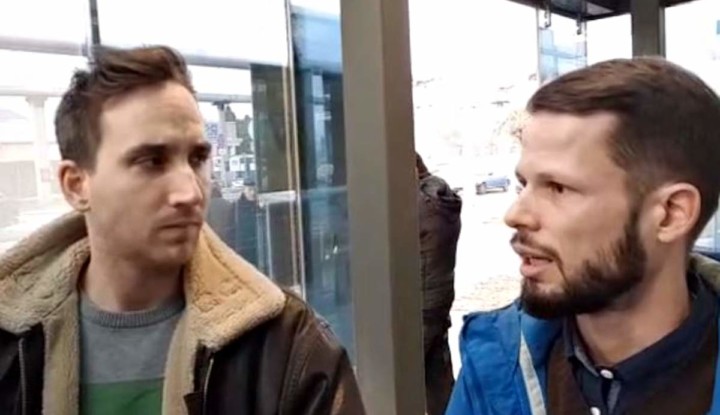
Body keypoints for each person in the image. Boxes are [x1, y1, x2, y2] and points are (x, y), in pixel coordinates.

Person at [0, 45, 365, 415]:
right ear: (76, 185)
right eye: (152, 161)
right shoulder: (11, 342)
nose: (190, 192)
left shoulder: (288, 349)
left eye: (197, 158)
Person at [446, 58, 720, 415]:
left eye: (558, 188)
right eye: (524, 184)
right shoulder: (497, 363)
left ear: (670, 213)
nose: (516, 215)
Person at [416, 153, 462, 415]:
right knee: (439, 384)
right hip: (438, 302)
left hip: (420, 307)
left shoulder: (421, 206)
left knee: (402, 379)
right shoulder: (443, 202)